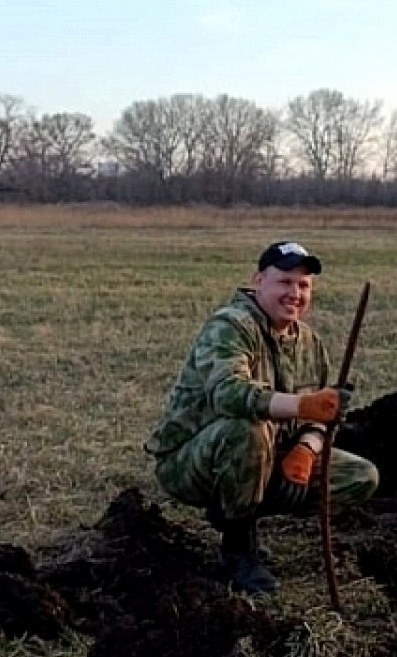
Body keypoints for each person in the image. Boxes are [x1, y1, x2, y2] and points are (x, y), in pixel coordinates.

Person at [145, 241, 379, 594]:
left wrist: (307, 448)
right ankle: (237, 547)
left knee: (362, 476)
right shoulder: (230, 326)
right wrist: (301, 406)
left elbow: (324, 415)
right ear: (258, 281)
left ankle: (244, 505)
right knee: (248, 428)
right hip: (192, 461)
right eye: (285, 282)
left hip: (272, 455)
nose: (295, 294)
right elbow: (229, 394)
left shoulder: (311, 344)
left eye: (303, 286)